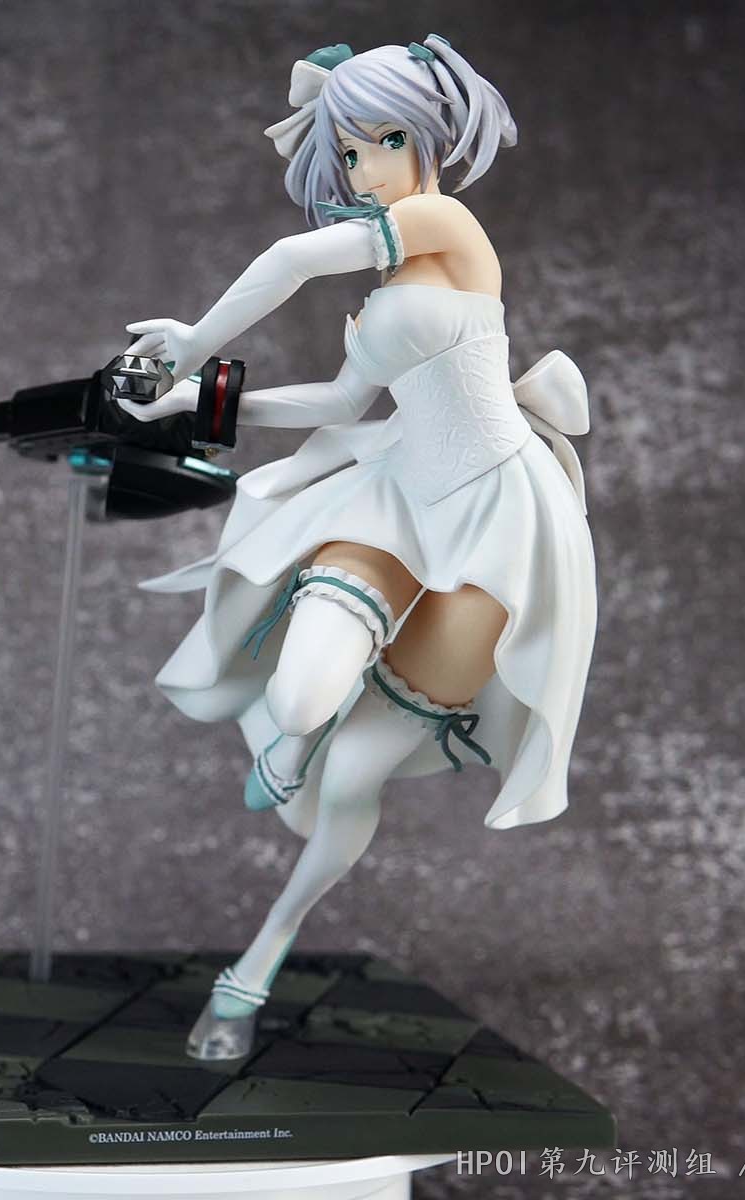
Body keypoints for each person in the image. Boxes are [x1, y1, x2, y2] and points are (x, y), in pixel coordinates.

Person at [115, 34, 597, 1060]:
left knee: (352, 780)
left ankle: (254, 969)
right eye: (346, 151)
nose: (365, 168)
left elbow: (293, 260)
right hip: (396, 501)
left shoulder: (447, 224)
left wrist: (196, 341)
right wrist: (196, 400)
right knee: (299, 702)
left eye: (383, 141)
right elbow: (340, 403)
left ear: (428, 137)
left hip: (491, 525)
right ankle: (295, 730)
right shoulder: (388, 273)